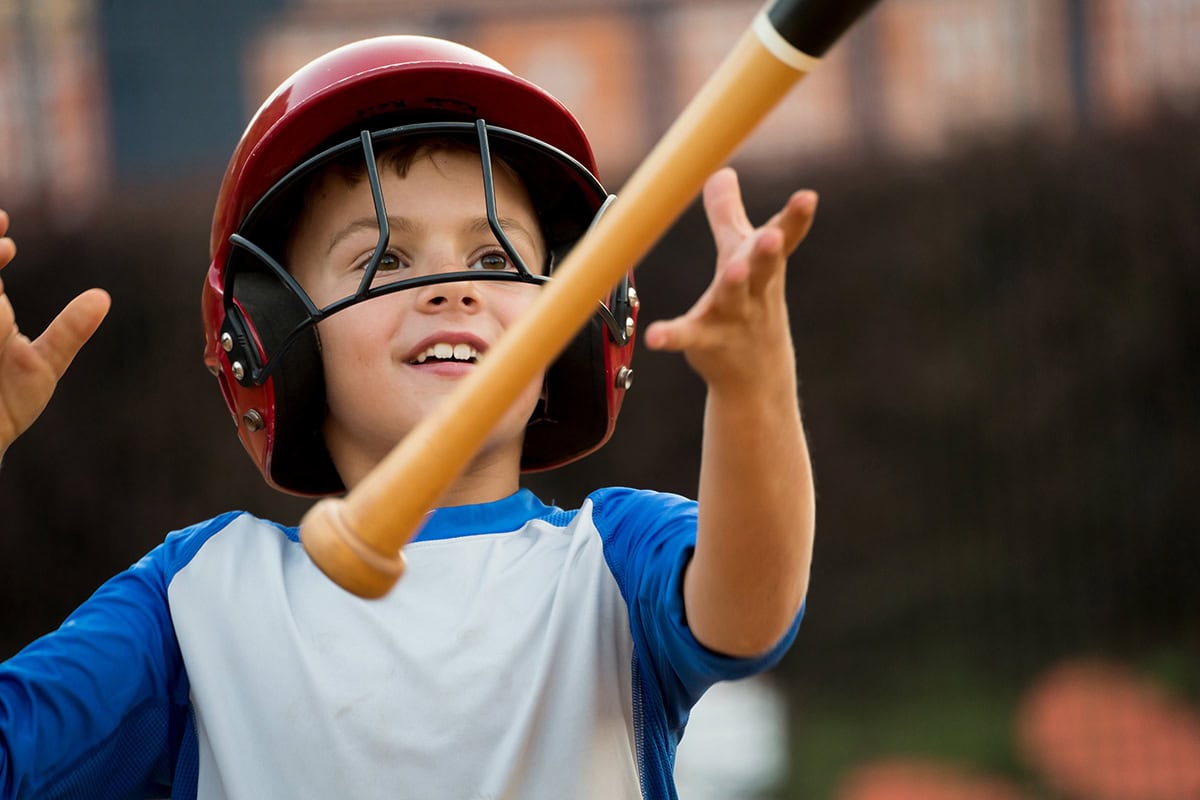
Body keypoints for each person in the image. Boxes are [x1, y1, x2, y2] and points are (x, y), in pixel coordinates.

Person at [0, 34, 817, 799]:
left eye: (494, 258)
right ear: (272, 337)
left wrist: (753, 391)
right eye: (382, 259)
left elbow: (748, 616)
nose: (452, 288)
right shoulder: (195, 602)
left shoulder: (611, 559)